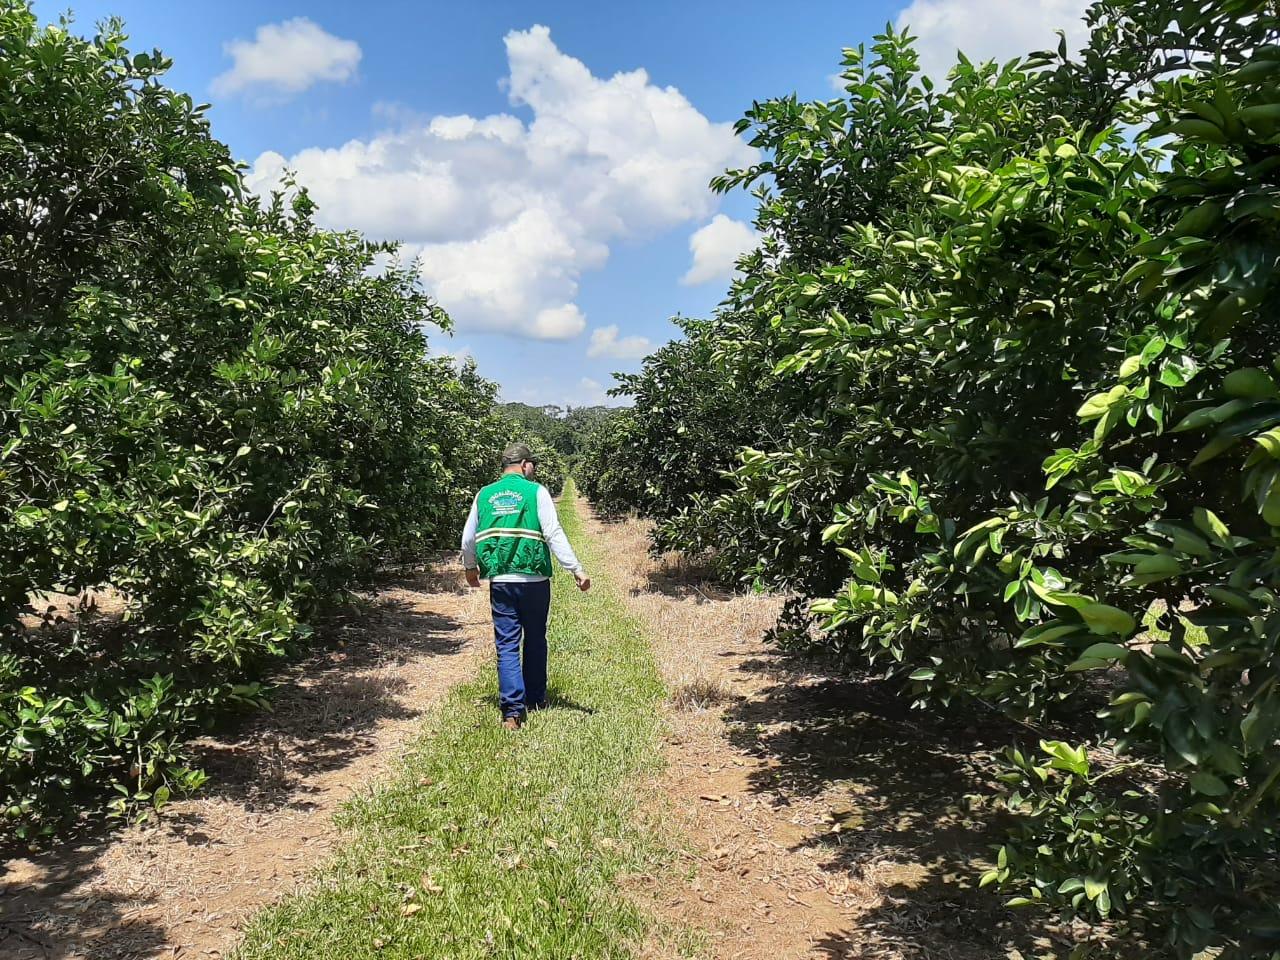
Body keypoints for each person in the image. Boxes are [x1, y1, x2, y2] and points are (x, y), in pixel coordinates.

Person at [460, 442, 591, 729]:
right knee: (535, 638)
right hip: (534, 580)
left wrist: (471, 568)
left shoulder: (485, 494)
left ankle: (512, 712)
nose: (534, 469)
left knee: (506, 644)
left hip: (501, 580)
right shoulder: (536, 492)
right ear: (524, 465)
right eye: (533, 464)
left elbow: (469, 538)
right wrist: (575, 569)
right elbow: (553, 532)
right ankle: (535, 697)